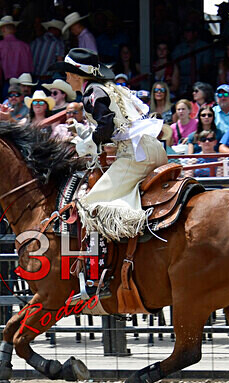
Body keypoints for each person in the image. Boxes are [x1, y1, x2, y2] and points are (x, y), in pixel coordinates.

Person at [56, 47, 166, 243]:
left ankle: (109, 262)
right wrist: (85, 133)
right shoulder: (111, 88)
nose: (66, 79)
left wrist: (88, 143)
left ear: (76, 75)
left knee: (89, 205)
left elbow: (106, 124)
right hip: (155, 150)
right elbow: (115, 125)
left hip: (135, 156)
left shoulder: (91, 91)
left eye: (67, 74)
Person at [0, 16, 33, 83]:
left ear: (2, 30)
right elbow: (30, 67)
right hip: (24, 82)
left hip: (5, 82)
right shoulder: (25, 46)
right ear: (14, 30)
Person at [173, 25, 213, 91]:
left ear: (195, 33)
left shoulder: (204, 47)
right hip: (182, 81)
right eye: (185, 32)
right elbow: (174, 65)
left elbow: (207, 66)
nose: (186, 35)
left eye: (188, 32)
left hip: (200, 80)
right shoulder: (179, 48)